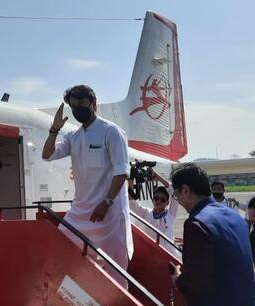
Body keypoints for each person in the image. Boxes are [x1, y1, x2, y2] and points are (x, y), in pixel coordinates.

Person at [42, 85, 133, 288]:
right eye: (73, 106)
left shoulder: (112, 132)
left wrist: (107, 202)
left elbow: (121, 172)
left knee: (115, 274)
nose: (77, 109)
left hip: (108, 215)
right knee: (60, 251)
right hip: (80, 213)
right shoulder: (74, 136)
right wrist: (54, 129)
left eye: (81, 104)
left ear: (93, 103)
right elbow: (47, 155)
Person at [169, 163, 255, 306]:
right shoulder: (235, 216)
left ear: (185, 190)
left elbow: (196, 281)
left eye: (176, 195)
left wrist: (178, 279)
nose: (178, 200)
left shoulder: (196, 223)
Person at [128, 170, 180, 256]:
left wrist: (159, 178)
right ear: (152, 200)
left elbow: (175, 193)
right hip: (152, 254)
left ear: (167, 203)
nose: (159, 201)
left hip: (170, 255)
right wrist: (130, 181)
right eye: (156, 198)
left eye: (162, 199)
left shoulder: (171, 214)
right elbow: (132, 204)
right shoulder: (146, 212)